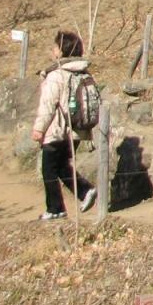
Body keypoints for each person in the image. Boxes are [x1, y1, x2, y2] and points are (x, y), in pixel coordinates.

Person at [31, 30, 97, 220]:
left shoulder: (56, 75)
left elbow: (48, 105)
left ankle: (56, 209)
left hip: (57, 130)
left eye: (55, 47)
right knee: (61, 166)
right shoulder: (82, 72)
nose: (52, 50)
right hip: (76, 130)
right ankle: (84, 192)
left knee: (48, 169)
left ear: (62, 50)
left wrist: (39, 129)